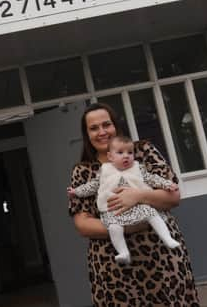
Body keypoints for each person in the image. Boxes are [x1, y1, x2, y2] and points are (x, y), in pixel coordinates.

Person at [69, 103, 199, 306]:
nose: (102, 132)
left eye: (106, 124)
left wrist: (138, 196)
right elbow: (82, 224)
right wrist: (128, 224)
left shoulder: (142, 152)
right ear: (87, 134)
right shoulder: (83, 171)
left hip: (161, 259)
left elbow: (173, 197)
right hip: (113, 268)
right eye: (94, 128)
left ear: (116, 126)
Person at [67, 134, 180, 264]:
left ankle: (167, 238)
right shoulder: (104, 171)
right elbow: (91, 186)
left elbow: (152, 178)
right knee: (114, 227)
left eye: (130, 152)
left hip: (138, 206)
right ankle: (123, 252)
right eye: (120, 152)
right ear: (110, 157)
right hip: (113, 210)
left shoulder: (138, 168)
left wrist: (167, 184)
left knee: (152, 213)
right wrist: (76, 191)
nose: (126, 156)